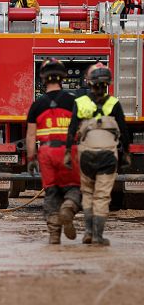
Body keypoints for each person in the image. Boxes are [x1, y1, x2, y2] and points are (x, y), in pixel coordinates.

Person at [65, 63, 130, 246]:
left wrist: (69, 152)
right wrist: (126, 154)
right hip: (108, 156)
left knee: (87, 193)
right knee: (102, 196)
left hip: (86, 155)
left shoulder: (80, 103)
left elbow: (71, 131)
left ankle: (87, 231)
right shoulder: (114, 103)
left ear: (90, 83)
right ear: (107, 84)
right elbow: (124, 132)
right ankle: (98, 236)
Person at [26, 58, 81, 244]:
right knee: (73, 188)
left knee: (51, 192)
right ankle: (68, 208)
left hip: (46, 153)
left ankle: (54, 235)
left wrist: (31, 158)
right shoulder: (73, 102)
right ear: (63, 77)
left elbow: (31, 135)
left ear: (43, 79)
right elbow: (80, 131)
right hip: (68, 151)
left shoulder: (36, 105)